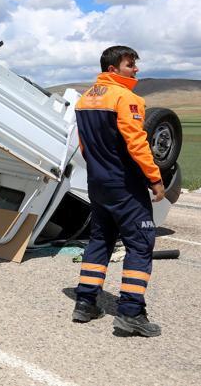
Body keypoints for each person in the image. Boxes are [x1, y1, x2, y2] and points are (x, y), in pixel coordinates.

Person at [72, 45, 165, 337]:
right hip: (125, 185)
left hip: (98, 183)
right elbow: (137, 144)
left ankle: (85, 303)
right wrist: (155, 178)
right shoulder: (127, 98)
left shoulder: (85, 99)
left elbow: (84, 145)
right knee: (140, 245)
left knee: (100, 240)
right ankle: (130, 314)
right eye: (129, 65)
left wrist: (98, 171)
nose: (135, 69)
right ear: (112, 69)